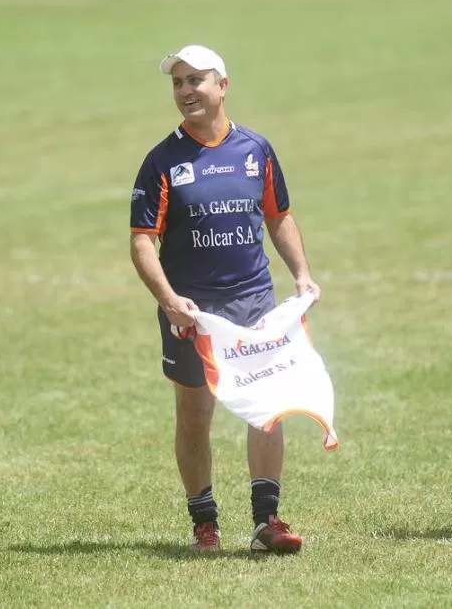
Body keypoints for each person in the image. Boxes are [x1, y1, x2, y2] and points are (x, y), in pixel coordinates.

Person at [129, 45, 321, 554]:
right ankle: (204, 523)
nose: (186, 90)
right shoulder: (163, 161)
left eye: (196, 80)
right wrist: (169, 299)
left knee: (267, 410)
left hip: (254, 303)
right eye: (178, 83)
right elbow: (141, 240)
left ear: (223, 85)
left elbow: (278, 216)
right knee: (194, 415)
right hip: (192, 313)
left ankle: (267, 522)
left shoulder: (256, 150)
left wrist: (301, 275)